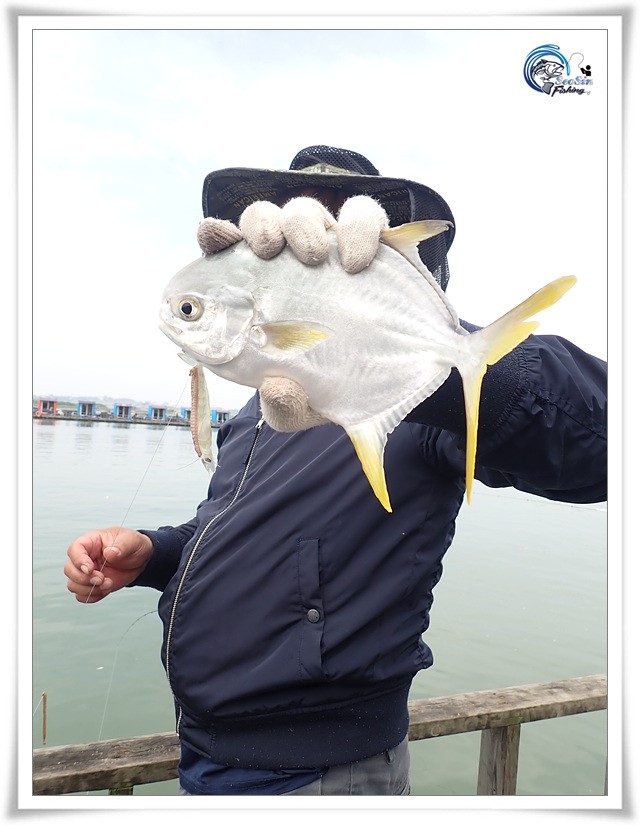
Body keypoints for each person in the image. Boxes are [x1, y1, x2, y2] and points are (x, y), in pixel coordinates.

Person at [65, 145, 607, 796]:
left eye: (335, 222)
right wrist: (155, 554)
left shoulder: (415, 400)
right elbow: (241, 529)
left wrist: (426, 359)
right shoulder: (264, 405)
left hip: (320, 776)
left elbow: (603, 443)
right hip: (207, 754)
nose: (309, 249)